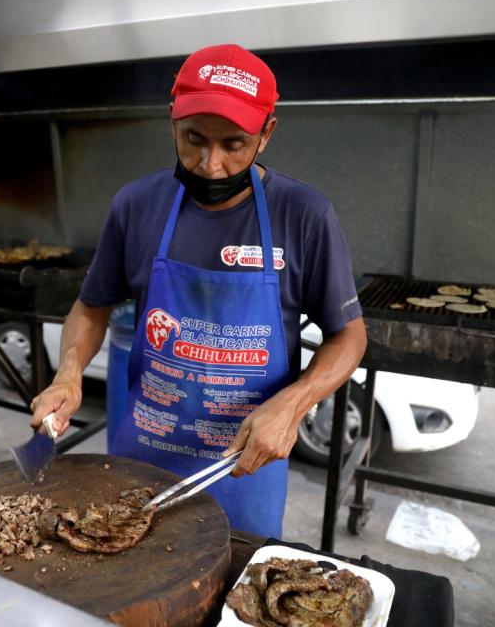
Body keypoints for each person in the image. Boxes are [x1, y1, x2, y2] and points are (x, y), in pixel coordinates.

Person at [29, 45, 367, 537]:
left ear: (266, 133)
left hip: (243, 465)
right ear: (172, 122)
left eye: (234, 144)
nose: (211, 164)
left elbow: (349, 336)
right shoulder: (136, 205)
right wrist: (68, 373)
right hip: (143, 460)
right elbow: (91, 307)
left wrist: (294, 404)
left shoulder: (305, 215)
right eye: (194, 139)